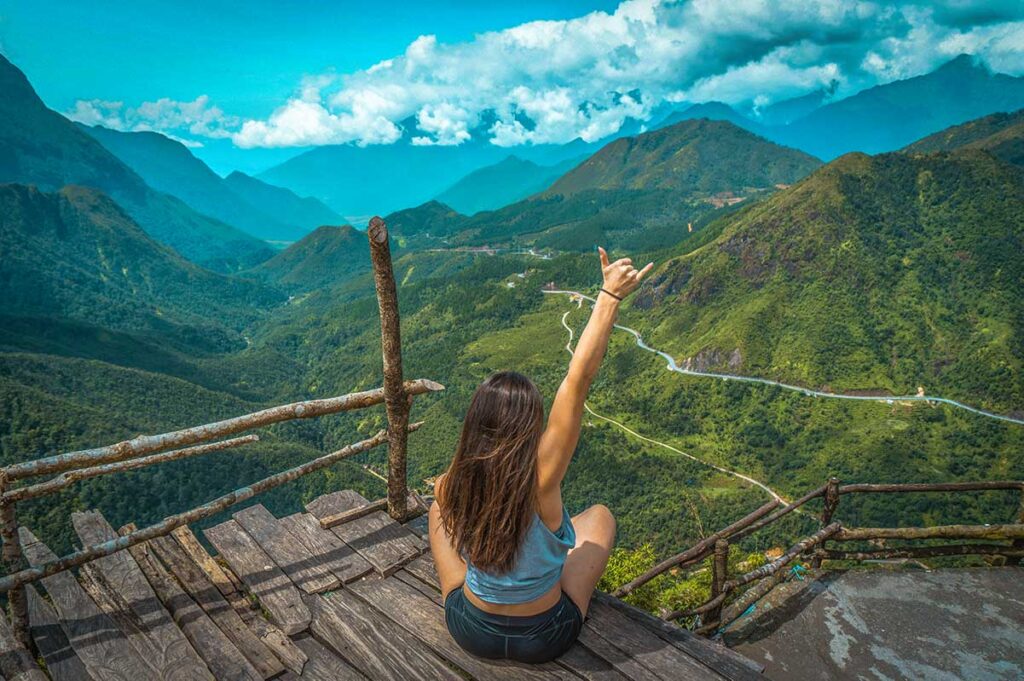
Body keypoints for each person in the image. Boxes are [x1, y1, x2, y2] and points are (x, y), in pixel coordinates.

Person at [429, 247, 654, 663]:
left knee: (437, 510)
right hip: (546, 636)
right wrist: (610, 296)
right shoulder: (541, 479)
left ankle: (472, 592)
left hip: (470, 631)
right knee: (599, 516)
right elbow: (578, 378)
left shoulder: (452, 485)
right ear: (531, 426)